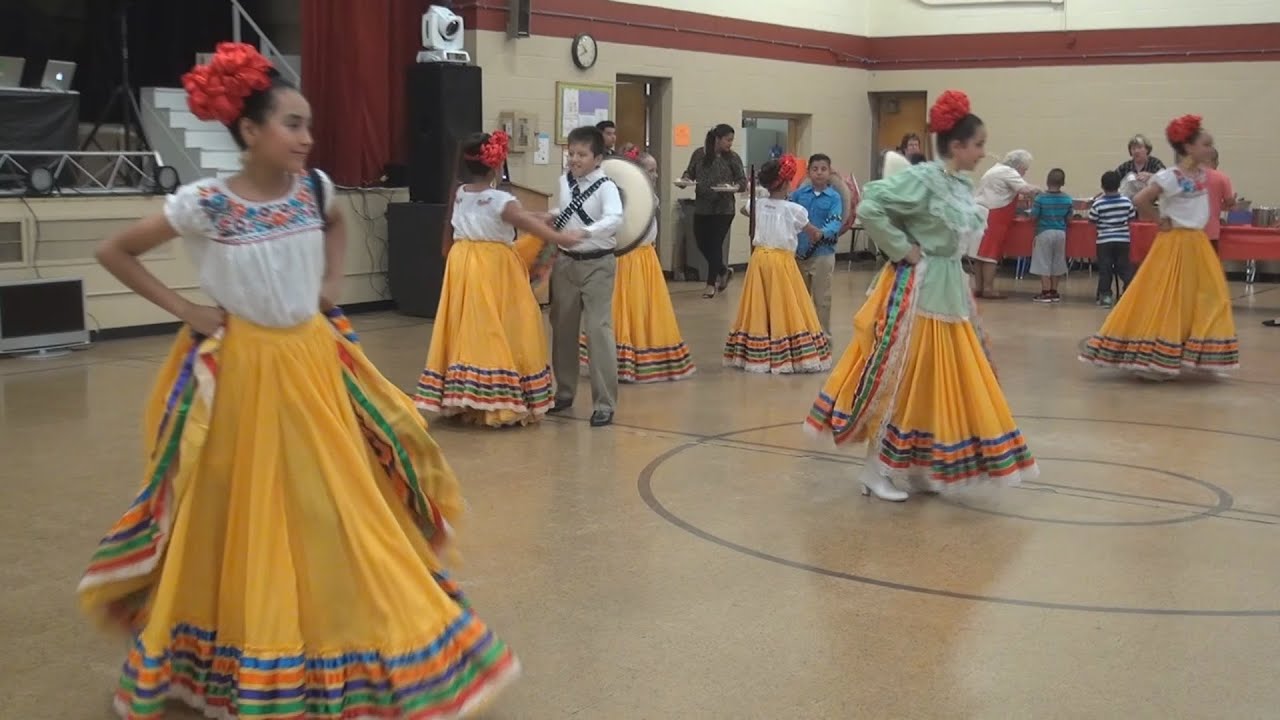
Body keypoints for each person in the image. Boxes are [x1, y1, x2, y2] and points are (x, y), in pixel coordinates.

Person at [77, 43, 518, 718]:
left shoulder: (316, 189)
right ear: (250, 130)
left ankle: (340, 637)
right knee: (238, 516)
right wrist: (187, 309)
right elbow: (115, 251)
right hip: (244, 375)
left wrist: (331, 283)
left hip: (311, 366)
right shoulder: (204, 204)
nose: (307, 137)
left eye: (308, 124)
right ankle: (241, 650)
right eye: (292, 123)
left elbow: (337, 226)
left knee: (332, 502)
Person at [805, 90, 1038, 502]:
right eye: (979, 144)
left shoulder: (960, 184)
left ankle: (913, 465)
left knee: (930, 382)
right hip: (920, 290)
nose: (984, 153)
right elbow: (871, 206)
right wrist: (901, 247)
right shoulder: (925, 178)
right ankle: (874, 470)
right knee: (902, 379)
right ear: (957, 146)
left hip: (949, 292)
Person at [416, 130, 585, 426]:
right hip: (493, 267)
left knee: (471, 325)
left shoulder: (461, 193)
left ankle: (467, 395)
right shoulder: (501, 199)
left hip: (464, 263)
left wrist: (540, 215)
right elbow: (516, 219)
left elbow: (509, 216)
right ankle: (494, 399)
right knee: (501, 324)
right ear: (496, 165)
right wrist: (562, 237)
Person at [1079, 114, 1239, 379]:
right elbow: (1140, 199)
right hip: (1175, 242)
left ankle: (1197, 351)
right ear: (1188, 148)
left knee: (1209, 295)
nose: (1210, 149)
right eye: (1205, 144)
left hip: (1197, 243)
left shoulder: (1202, 175)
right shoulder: (1170, 176)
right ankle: (1155, 356)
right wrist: (1159, 220)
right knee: (1167, 297)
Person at [579, 149, 696, 383]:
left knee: (646, 307)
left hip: (646, 259)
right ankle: (620, 360)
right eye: (650, 171)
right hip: (627, 259)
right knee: (625, 308)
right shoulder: (621, 195)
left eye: (655, 171)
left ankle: (646, 356)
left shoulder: (650, 196)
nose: (654, 175)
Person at [723, 155, 832, 374]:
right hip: (781, 263)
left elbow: (746, 210)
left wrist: (763, 197)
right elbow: (812, 232)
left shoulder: (758, 204)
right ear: (785, 183)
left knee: (761, 304)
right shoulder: (794, 210)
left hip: (759, 260)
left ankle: (758, 350)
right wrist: (820, 233)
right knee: (785, 303)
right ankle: (788, 351)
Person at [549, 125, 623, 427]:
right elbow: (567, 211)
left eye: (582, 154)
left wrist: (587, 232)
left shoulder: (607, 186)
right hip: (566, 264)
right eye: (572, 153)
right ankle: (564, 392)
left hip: (598, 264)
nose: (575, 159)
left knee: (597, 330)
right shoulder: (564, 182)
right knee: (562, 328)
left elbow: (614, 218)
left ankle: (604, 402)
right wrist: (550, 216)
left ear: (597, 157)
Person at [681, 123, 747, 298]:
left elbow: (742, 181)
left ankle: (711, 284)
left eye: (732, 140)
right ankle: (724, 270)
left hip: (724, 208)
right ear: (717, 139)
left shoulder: (733, 158)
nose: (730, 143)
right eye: (727, 140)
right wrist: (685, 180)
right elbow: (689, 173)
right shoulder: (699, 154)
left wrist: (735, 187)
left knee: (715, 244)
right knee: (702, 243)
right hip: (702, 206)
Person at [789, 153, 844, 335]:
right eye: (815, 169)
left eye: (823, 169)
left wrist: (822, 233)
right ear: (808, 172)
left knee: (822, 299)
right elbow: (788, 213)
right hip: (799, 254)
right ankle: (801, 336)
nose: (819, 173)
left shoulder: (834, 198)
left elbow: (835, 221)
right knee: (799, 299)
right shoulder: (798, 195)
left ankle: (823, 337)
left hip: (823, 254)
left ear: (830, 172)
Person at [972, 149, 1038, 298]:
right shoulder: (1009, 172)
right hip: (995, 215)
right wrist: (1043, 191)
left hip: (983, 212)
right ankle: (989, 289)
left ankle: (979, 287)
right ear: (1018, 165)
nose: (1024, 173)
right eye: (1024, 169)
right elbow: (1025, 189)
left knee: (980, 254)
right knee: (990, 254)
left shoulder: (995, 169)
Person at [1088, 170, 1137, 307]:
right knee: (1125, 268)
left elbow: (1092, 220)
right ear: (1119, 185)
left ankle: (1106, 297)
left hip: (1104, 241)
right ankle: (1128, 293)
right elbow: (1131, 217)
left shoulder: (1098, 204)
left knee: (1105, 269)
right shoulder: (1127, 201)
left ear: (1102, 186)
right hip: (1123, 240)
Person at [1029, 168, 1073, 303]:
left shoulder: (1041, 198)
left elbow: (1033, 216)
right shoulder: (1067, 199)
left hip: (1044, 232)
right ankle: (1054, 291)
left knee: (1043, 261)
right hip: (1061, 233)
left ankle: (1045, 292)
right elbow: (1069, 218)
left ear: (1047, 181)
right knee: (1057, 261)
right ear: (1063, 182)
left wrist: (1032, 202)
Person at [1204, 146, 1235, 254]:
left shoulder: (1189, 177)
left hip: (1190, 231)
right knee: (1210, 267)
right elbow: (1229, 203)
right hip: (1211, 231)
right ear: (1215, 160)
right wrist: (1233, 201)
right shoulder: (1222, 178)